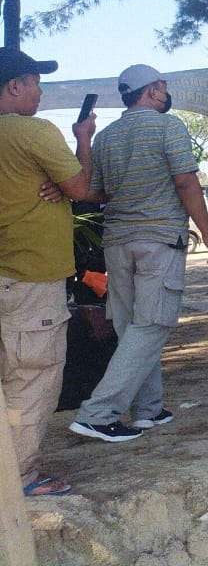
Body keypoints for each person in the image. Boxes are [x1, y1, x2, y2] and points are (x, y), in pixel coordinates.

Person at [67, 65, 208, 444]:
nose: (166, 93)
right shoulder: (168, 127)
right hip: (158, 240)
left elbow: (91, 192)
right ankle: (98, 413)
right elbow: (186, 181)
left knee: (132, 327)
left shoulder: (105, 137)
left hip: (118, 242)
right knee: (151, 325)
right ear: (152, 91)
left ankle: (149, 409)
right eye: (164, 87)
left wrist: (84, 141)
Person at [0, 48, 95, 497]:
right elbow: (83, 188)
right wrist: (83, 139)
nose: (40, 92)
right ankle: (18, 480)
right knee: (33, 376)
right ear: (14, 87)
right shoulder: (31, 131)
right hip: (29, 275)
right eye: (35, 82)